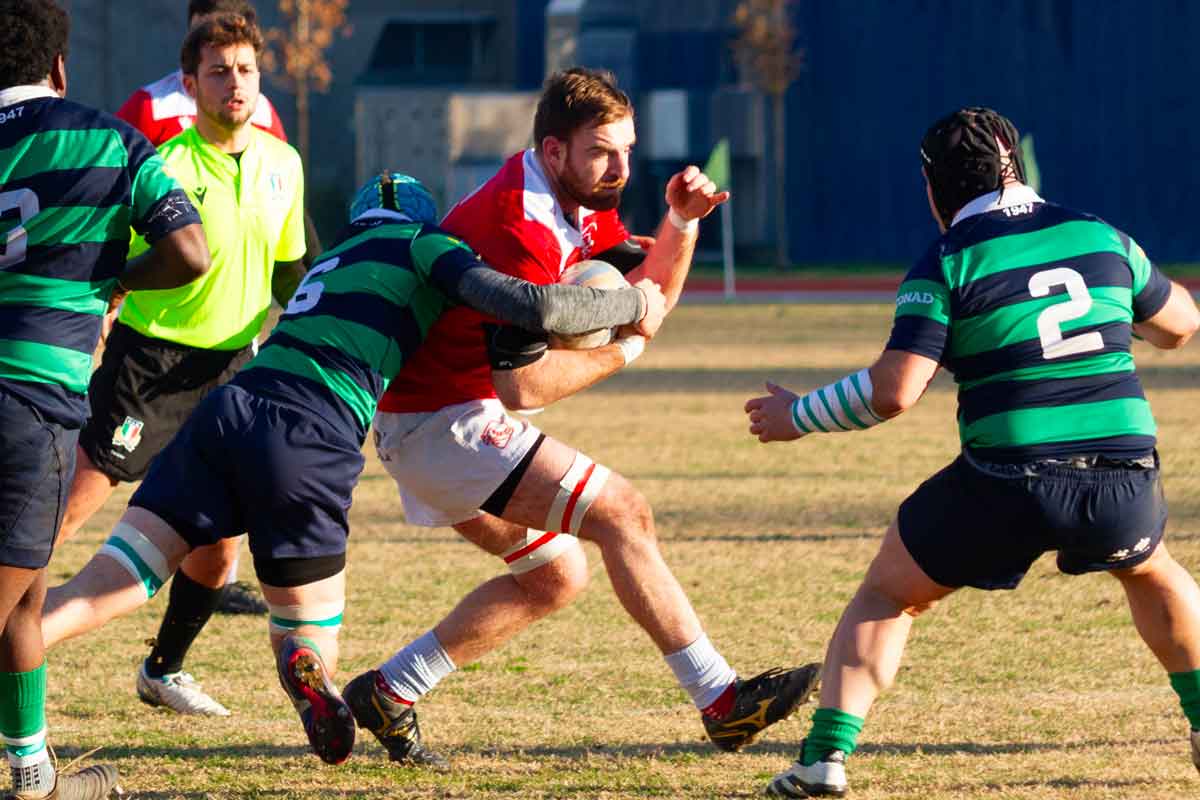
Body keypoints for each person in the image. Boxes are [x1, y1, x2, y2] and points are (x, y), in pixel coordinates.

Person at [40, 172, 668, 767]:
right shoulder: (424, 243)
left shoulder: (333, 259)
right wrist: (635, 304)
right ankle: (307, 664)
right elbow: (534, 306)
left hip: (227, 410)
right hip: (310, 432)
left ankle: (25, 641)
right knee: (307, 630)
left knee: (113, 576)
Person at [343, 67, 820, 769]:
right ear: (554, 149)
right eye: (603, 150)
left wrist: (681, 221)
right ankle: (722, 703)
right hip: (445, 422)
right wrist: (624, 350)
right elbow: (526, 387)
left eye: (627, 148)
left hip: (436, 421)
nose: (620, 167)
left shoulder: (573, 196)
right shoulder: (518, 226)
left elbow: (650, 292)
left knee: (554, 578)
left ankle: (391, 691)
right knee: (624, 513)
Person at [746, 107, 1200, 798]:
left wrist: (797, 416)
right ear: (1017, 166)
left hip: (1008, 477)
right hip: (1122, 475)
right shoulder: (1101, 235)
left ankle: (824, 759)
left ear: (935, 190)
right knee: (1151, 570)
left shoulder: (951, 257)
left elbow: (896, 391)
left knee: (888, 596)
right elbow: (1180, 327)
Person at [44, 12, 307, 717]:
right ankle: (14, 631)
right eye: (219, 71)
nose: (235, 83)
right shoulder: (165, 164)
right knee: (63, 510)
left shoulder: (286, 165)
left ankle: (162, 670)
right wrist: (102, 305)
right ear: (189, 85)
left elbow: (290, 275)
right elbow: (110, 259)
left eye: (246, 69)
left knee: (219, 544)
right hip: (151, 366)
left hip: (234, 370)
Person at [0, 1, 210, 797]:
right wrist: (114, 276)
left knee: (27, 592)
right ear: (59, 68)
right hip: (29, 405)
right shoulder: (111, 140)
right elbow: (190, 252)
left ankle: (31, 775)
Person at [115, 0, 286, 147]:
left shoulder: (262, 113)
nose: (199, 44)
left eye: (214, 38)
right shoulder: (151, 106)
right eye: (195, 35)